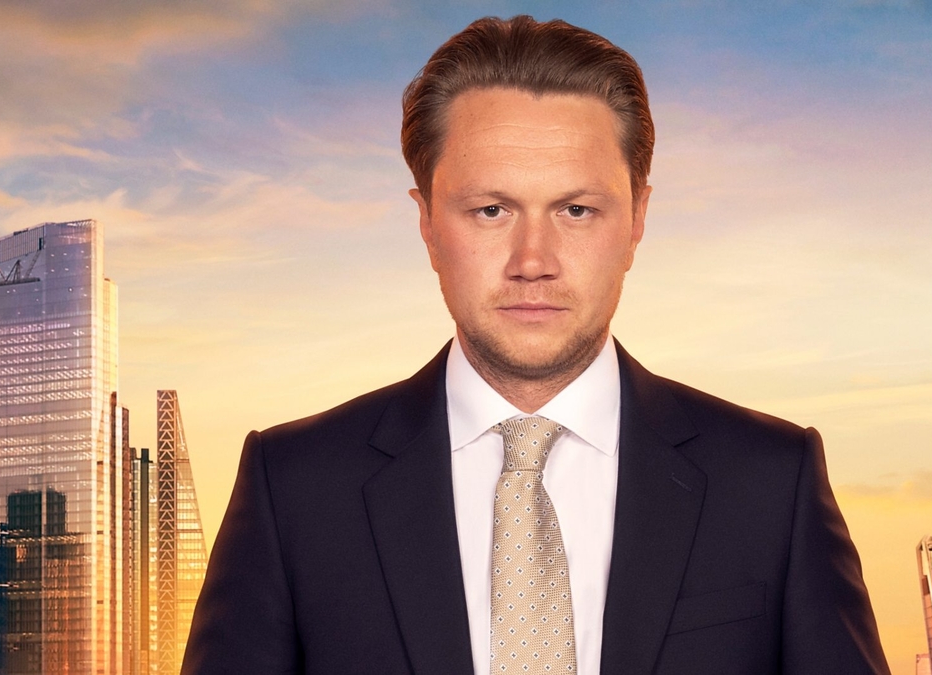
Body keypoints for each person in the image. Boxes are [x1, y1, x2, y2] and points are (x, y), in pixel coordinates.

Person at [182, 15, 889, 675]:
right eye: (491, 210)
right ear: (427, 221)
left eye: (576, 210)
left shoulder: (770, 481)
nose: (533, 259)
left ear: (638, 216)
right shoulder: (295, 486)